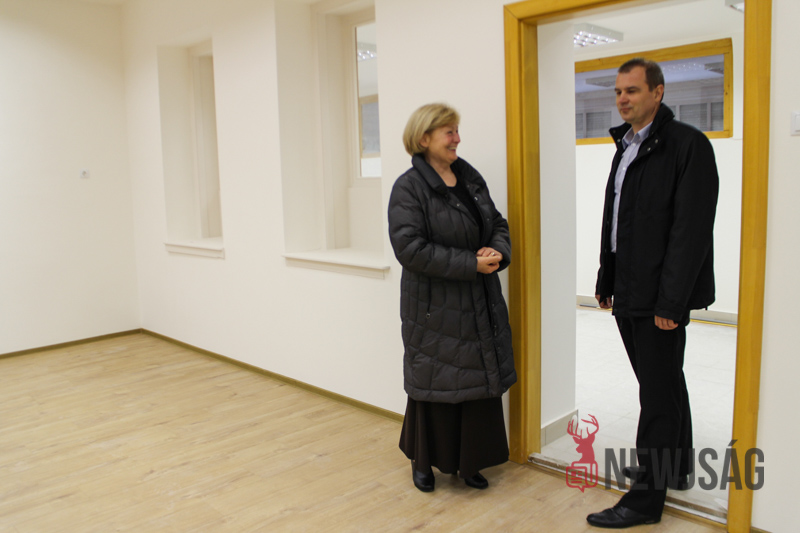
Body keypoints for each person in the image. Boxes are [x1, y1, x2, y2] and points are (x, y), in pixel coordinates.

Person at [587, 58, 719, 528]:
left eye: (633, 90)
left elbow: (690, 232)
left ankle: (644, 501)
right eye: (618, 91)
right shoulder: (625, 146)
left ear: (658, 92)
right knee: (663, 384)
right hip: (629, 289)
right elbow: (616, 221)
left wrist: (671, 302)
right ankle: (674, 466)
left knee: (657, 398)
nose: (623, 98)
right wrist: (606, 279)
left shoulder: (688, 145)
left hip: (659, 296)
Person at [388, 103, 517, 493]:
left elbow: (497, 224)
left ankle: (469, 461)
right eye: (449, 131)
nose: (457, 138)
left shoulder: (469, 178)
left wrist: (497, 251)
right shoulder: (409, 187)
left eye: (457, 130)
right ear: (424, 138)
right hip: (434, 308)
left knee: (476, 384)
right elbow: (410, 249)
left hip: (478, 302)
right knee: (435, 383)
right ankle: (424, 462)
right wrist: (469, 264)